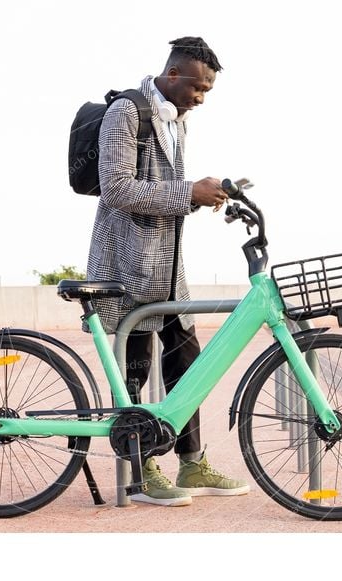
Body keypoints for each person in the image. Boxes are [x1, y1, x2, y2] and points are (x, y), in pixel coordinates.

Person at [86, 36, 249, 506]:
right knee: (135, 370)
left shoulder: (176, 119)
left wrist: (203, 194)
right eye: (198, 88)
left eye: (208, 91)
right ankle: (143, 474)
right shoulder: (127, 113)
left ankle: (192, 461)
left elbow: (167, 190)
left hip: (167, 266)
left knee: (187, 363)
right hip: (126, 264)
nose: (201, 98)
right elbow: (115, 189)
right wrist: (186, 193)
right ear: (173, 75)